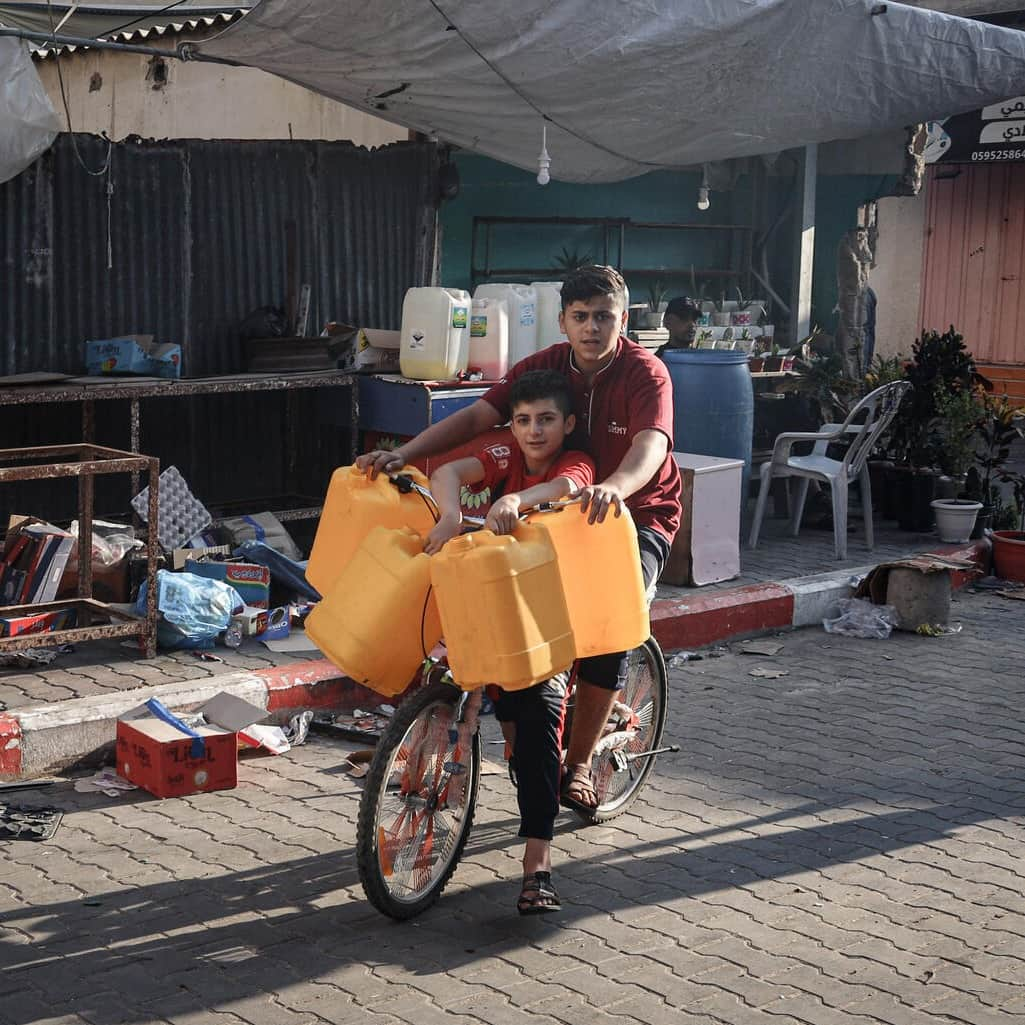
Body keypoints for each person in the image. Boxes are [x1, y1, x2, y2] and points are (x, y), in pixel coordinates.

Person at [359, 264, 681, 815]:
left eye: (604, 317)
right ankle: (530, 740)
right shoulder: (543, 367)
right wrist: (407, 453)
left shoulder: (645, 373)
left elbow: (650, 446)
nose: (592, 328)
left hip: (635, 513)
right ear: (563, 321)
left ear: (622, 320)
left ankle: (579, 768)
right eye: (580, 317)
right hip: (550, 514)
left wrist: (613, 487)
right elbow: (476, 417)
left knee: (606, 633)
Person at [424, 369, 595, 914]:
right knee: (449, 673)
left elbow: (567, 487)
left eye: (546, 420)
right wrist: (452, 513)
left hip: (552, 610)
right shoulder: (504, 450)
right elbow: (449, 469)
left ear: (566, 423)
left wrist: (518, 500)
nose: (533, 431)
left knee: (541, 722)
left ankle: (537, 864)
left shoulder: (575, 460)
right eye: (523, 420)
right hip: (501, 595)